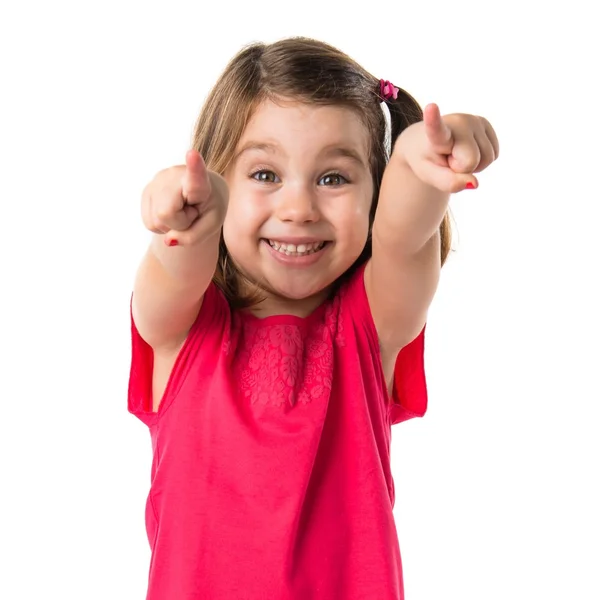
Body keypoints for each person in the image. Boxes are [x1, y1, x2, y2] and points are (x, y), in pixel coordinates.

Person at [128, 36, 499, 600]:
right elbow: (173, 269)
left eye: (334, 178)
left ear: (373, 193)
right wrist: (184, 220)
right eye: (265, 175)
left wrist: (419, 167)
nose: (298, 208)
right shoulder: (182, 330)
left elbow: (402, 238)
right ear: (218, 182)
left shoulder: (371, 328)